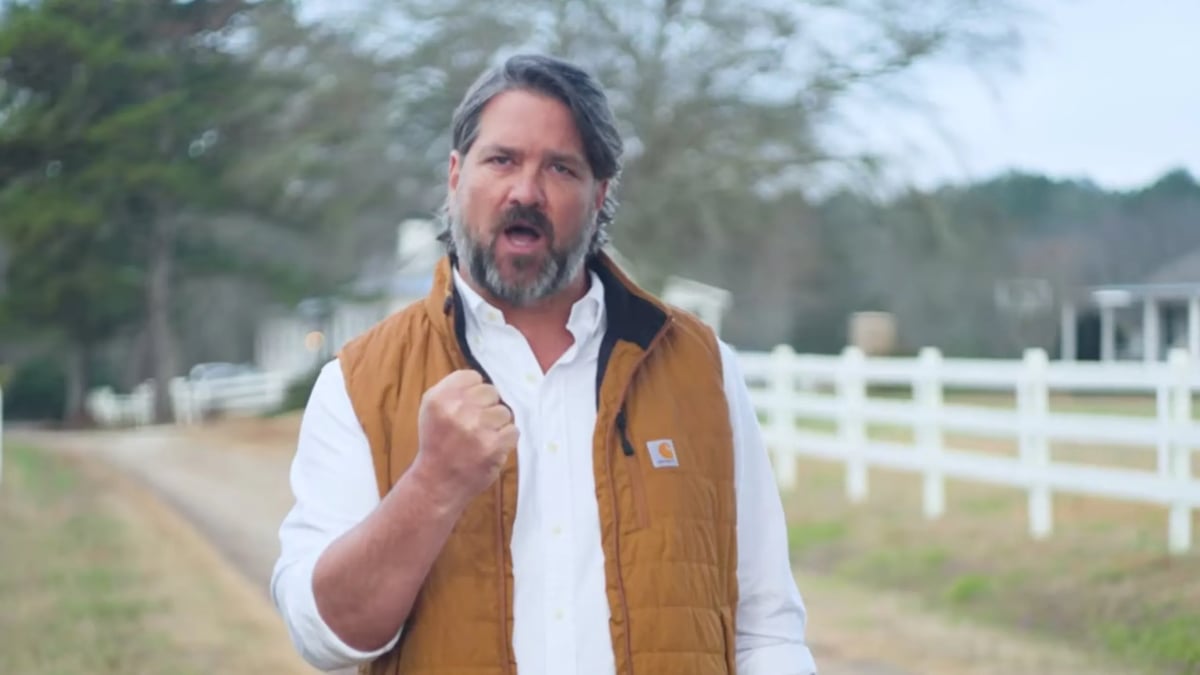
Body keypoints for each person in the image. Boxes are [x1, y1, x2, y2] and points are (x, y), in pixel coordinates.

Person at [270, 53, 818, 675]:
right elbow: (326, 638)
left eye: (560, 168)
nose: (526, 192)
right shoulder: (358, 383)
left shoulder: (702, 370)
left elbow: (766, 630)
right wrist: (432, 483)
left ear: (599, 195)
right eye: (501, 160)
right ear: (455, 175)